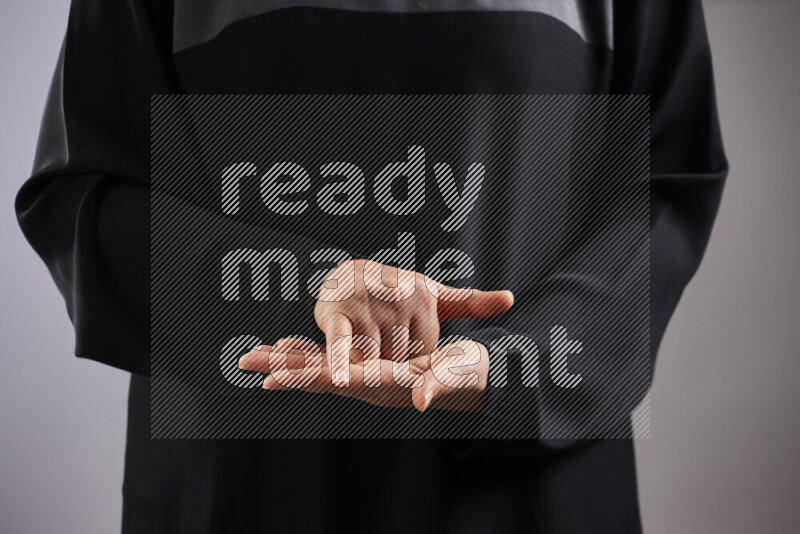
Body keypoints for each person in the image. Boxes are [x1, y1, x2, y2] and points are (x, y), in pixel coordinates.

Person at [15, 1, 727, 532]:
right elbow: (83, 196)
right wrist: (307, 288)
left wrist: (509, 365)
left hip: (528, 495)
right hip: (242, 492)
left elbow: (663, 184)